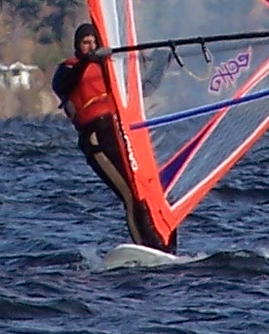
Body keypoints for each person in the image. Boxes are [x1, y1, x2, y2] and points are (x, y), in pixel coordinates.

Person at [53, 21, 176, 252]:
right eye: (85, 43)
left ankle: (163, 247)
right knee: (129, 195)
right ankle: (145, 247)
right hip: (95, 140)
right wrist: (89, 61)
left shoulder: (109, 70)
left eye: (93, 42)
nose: (90, 46)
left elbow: (143, 89)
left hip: (120, 134)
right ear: (77, 47)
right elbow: (65, 84)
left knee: (145, 192)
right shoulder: (67, 69)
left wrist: (160, 60)